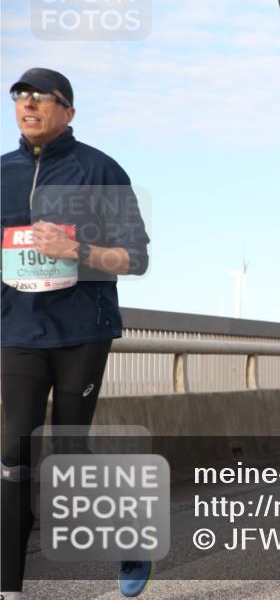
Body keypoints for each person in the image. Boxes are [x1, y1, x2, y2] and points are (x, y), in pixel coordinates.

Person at [1, 68, 152, 599]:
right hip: (17, 329)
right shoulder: (2, 173)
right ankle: (10, 589)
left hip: (82, 329)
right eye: (20, 96)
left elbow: (137, 258)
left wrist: (78, 252)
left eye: (42, 97)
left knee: (67, 449)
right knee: (14, 452)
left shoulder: (100, 170)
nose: (28, 105)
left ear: (68, 111)